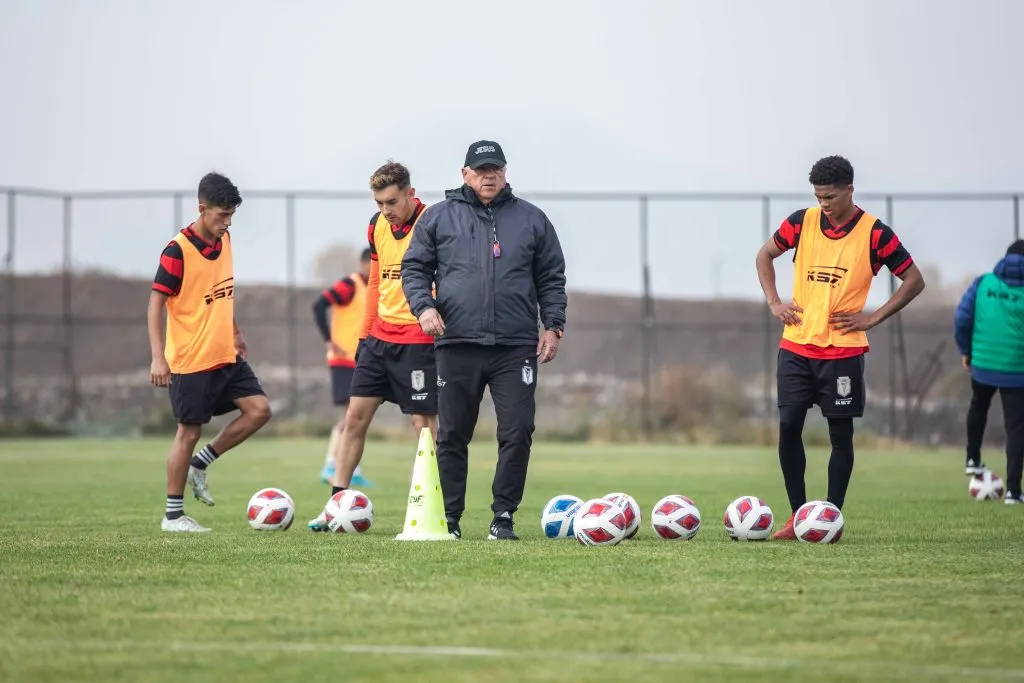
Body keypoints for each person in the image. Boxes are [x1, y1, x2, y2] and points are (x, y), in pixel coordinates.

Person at [402, 140, 567, 541]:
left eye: (495, 169)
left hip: (515, 347)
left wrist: (553, 325)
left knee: (518, 430)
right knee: (453, 433)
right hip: (457, 343)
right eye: (480, 170)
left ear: (505, 173)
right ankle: (450, 519)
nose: (488, 176)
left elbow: (551, 277)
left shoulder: (532, 219)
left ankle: (503, 516)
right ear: (465, 174)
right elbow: (415, 269)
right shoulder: (438, 217)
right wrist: (424, 308)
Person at [754, 155, 925, 540]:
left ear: (850, 190)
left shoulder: (875, 234)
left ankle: (829, 516)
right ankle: (798, 517)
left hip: (842, 353)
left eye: (830, 197)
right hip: (796, 347)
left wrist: (872, 318)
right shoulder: (801, 222)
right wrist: (774, 302)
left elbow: (914, 280)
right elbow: (764, 255)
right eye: (818, 197)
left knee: (840, 435)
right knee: (788, 426)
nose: (824, 204)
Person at [307, 161, 438, 530]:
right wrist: (364, 336)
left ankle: (428, 509)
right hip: (379, 340)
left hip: (418, 340)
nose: (386, 210)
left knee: (424, 426)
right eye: (379, 203)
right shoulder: (376, 224)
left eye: (392, 202)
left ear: (411, 193)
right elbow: (377, 282)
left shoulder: (433, 223)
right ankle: (334, 507)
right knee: (353, 419)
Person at [148, 172, 272, 532]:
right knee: (188, 432)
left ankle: (200, 464)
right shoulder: (177, 251)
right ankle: (173, 516)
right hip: (190, 360)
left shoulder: (225, 239)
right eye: (222, 215)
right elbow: (155, 305)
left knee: (259, 411)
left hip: (225, 355)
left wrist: (234, 332)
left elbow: (219, 292)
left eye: (231, 215)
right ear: (202, 208)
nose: (227, 222)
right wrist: (158, 357)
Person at [954, 240, 1024, 504]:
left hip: (982, 364)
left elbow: (962, 318)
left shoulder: (983, 283)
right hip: (1017, 368)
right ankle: (1014, 492)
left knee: (978, 405)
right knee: (1016, 428)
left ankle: (973, 458)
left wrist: (966, 350)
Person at [312, 247, 374, 488]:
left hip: (361, 360)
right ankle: (332, 465)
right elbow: (319, 305)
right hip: (344, 360)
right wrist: (329, 340)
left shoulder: (376, 287)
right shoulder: (350, 285)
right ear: (365, 263)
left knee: (356, 415)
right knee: (353, 414)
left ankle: (349, 468)